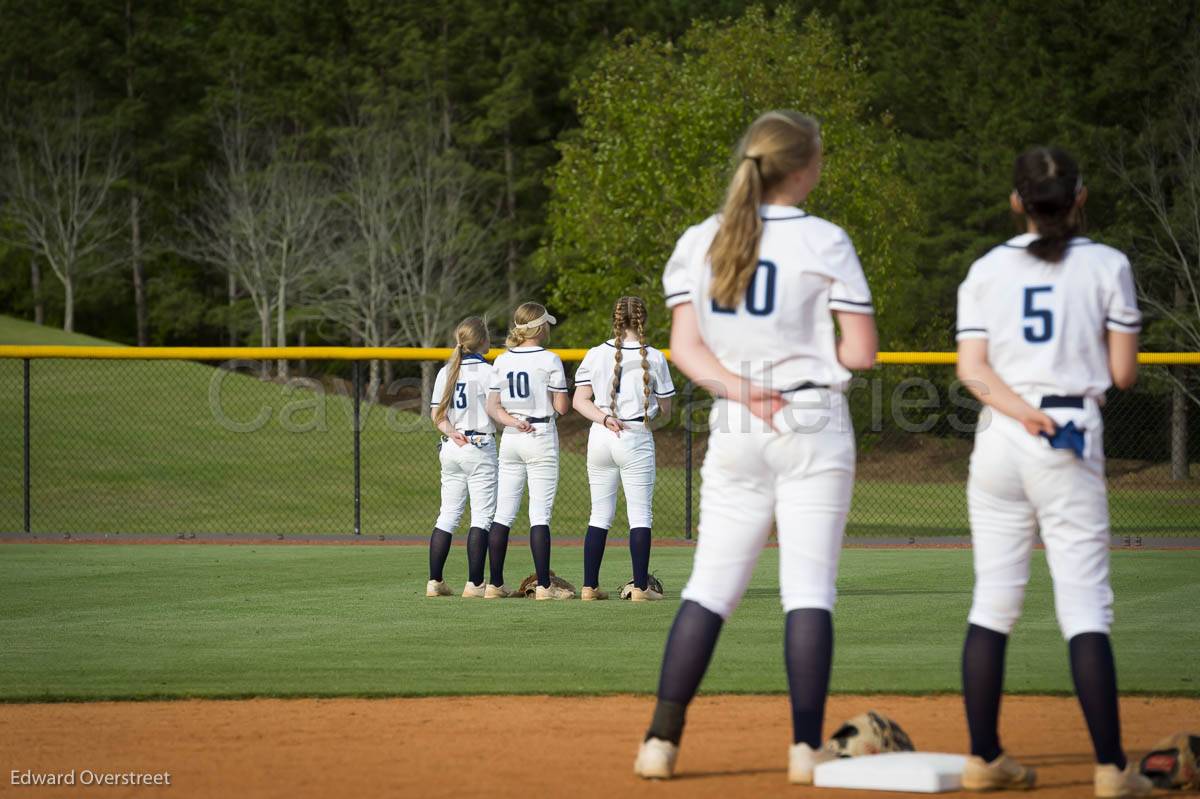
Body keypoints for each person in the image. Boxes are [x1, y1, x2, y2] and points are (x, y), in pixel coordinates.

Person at [634, 110, 878, 783]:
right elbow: (860, 351)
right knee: (808, 589)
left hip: (735, 423)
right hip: (811, 418)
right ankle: (805, 749)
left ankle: (659, 741)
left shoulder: (701, 238)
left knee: (711, 586)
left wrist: (743, 390)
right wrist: (798, 368)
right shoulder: (826, 240)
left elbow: (686, 348)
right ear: (803, 168)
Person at [954, 146, 1149, 798]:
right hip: (1068, 436)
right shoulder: (1107, 264)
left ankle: (984, 756)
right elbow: (1123, 374)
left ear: (1017, 203)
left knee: (993, 602)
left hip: (1000, 440)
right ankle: (1111, 768)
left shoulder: (984, 270)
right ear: (1080, 196)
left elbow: (974, 372)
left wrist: (1022, 411)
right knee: (1085, 603)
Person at [572, 296, 675, 601]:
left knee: (600, 514)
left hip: (601, 434)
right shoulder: (654, 357)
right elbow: (667, 410)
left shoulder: (594, 353)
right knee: (640, 514)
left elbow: (579, 401)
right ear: (644, 320)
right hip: (636, 434)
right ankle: (641, 587)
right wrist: (650, 416)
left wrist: (605, 418)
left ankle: (590, 586)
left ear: (614, 319)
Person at [484, 302, 573, 600]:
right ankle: (545, 587)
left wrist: (514, 421)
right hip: (541, 435)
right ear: (540, 327)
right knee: (539, 514)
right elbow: (561, 407)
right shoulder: (550, 359)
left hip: (511, 435)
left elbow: (492, 407)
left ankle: (494, 584)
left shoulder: (502, 360)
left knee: (503, 513)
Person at [426, 317, 497, 599]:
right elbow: (497, 412)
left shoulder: (447, 371)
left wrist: (453, 432)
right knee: (481, 517)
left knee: (448, 515)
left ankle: (435, 581)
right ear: (481, 341)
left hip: (452, 446)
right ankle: (475, 583)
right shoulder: (489, 372)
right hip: (479, 446)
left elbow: (436, 416)